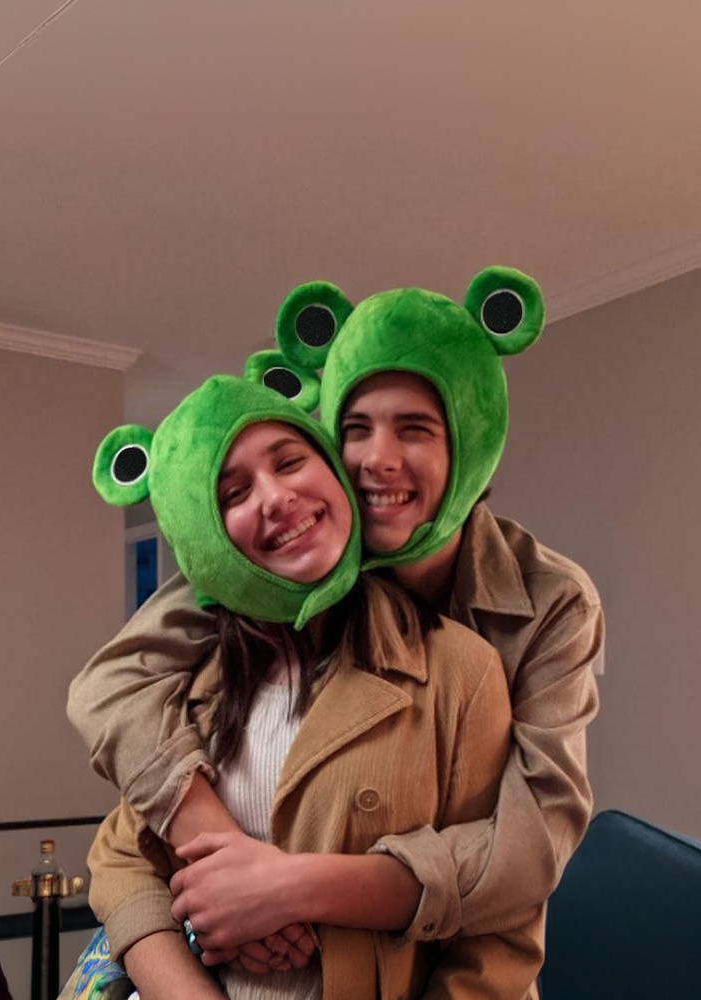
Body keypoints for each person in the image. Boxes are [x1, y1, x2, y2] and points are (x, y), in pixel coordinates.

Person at [68, 266, 602, 966]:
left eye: (415, 428)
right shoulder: (266, 599)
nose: (378, 460)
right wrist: (217, 848)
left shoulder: (531, 614)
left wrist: (286, 888)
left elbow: (527, 851)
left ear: (468, 441)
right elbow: (110, 693)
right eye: (354, 428)